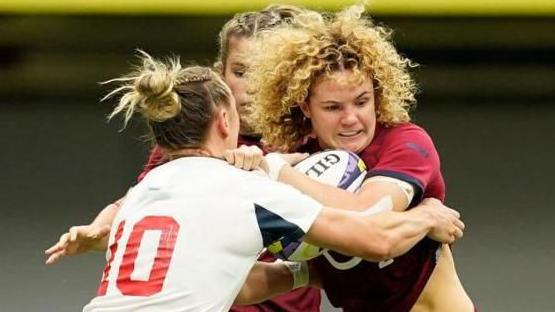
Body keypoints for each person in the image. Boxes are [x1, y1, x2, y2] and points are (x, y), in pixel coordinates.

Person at [80, 53, 463, 311]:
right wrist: (427, 216)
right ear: (225, 121)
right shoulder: (249, 187)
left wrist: (307, 272)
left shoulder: (143, 191)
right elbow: (377, 239)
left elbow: (235, 286)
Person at [46, 6, 325, 312]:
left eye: (265, 73)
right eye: (241, 72)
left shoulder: (316, 134)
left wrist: (278, 171)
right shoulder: (192, 144)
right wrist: (97, 229)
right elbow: (136, 203)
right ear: (221, 74)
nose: (251, 88)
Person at [244, 4, 474, 312]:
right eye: (333, 107)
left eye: (362, 101)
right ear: (304, 106)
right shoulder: (298, 159)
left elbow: (367, 215)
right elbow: (246, 284)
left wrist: (274, 172)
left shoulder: (405, 142)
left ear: (377, 95)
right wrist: (239, 166)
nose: (351, 118)